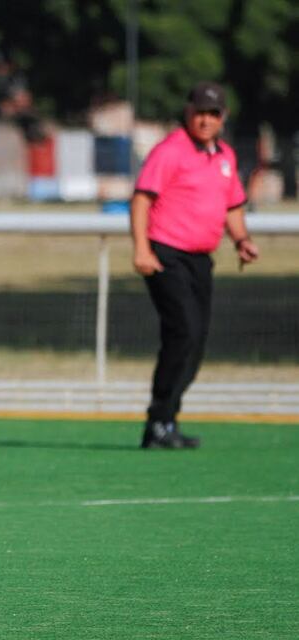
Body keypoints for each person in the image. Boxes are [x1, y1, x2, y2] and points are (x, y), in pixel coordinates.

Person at [129, 81, 259, 449]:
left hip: (200, 259)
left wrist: (242, 240)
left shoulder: (225, 156)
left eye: (212, 114)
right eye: (199, 113)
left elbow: (232, 204)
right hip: (166, 253)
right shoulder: (170, 151)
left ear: (223, 117)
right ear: (188, 113)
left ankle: (166, 420)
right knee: (183, 331)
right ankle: (158, 420)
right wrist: (142, 249)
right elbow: (141, 200)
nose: (205, 120)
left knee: (195, 342)